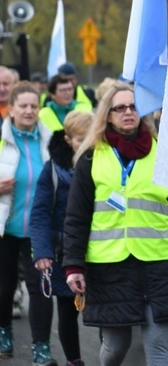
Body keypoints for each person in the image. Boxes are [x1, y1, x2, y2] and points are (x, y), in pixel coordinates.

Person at [63, 82, 168, 366]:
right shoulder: (91, 157)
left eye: (134, 106)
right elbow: (76, 217)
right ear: (107, 115)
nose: (128, 112)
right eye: (120, 107)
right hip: (110, 266)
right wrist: (74, 266)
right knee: (115, 346)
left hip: (159, 263)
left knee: (159, 345)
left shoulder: (163, 153)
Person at [30, 111, 93, 366]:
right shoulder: (53, 170)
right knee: (68, 311)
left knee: (102, 310)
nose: (87, 146)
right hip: (64, 250)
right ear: (68, 139)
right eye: (80, 140)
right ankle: (74, 361)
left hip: (100, 247)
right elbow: (41, 213)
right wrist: (42, 251)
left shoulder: (100, 162)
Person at [0, 82, 53, 362]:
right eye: (23, 106)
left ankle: (41, 346)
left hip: (39, 231)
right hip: (5, 228)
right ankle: (3, 331)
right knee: (4, 286)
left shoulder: (51, 140)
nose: (29, 111)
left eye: (34, 105)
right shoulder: (1, 138)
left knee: (42, 289)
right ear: (11, 109)